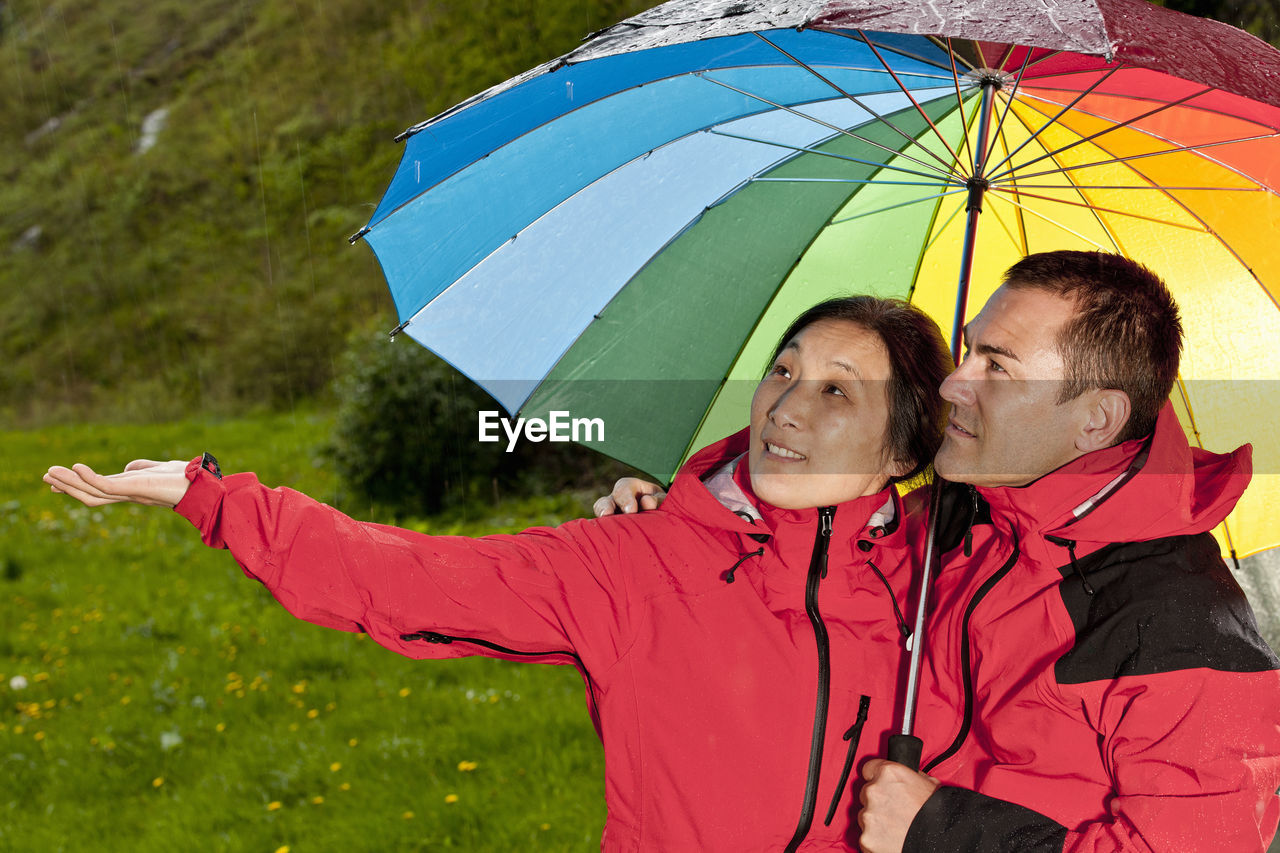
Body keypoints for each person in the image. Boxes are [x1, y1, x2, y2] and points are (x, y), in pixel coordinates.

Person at [43, 295, 955, 851]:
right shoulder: (635, 562)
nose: (786, 406)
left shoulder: (950, 572)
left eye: (838, 389)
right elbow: (412, 579)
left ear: (906, 442)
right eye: (782, 370)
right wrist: (214, 498)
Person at [601, 251, 1280, 853]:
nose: (954, 384)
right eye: (970, 349)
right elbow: (821, 564)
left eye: (997, 366)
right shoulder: (963, 514)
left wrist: (940, 830)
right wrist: (699, 515)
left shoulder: (1181, 623)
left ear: (1094, 419)